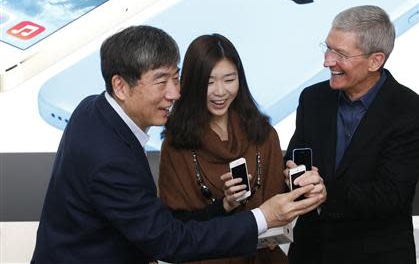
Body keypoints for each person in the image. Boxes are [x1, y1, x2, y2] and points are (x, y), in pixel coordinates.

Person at [31, 25, 326, 264]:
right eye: (161, 82)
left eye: (176, 77)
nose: (174, 93)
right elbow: (168, 240)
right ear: (120, 86)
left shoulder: (92, 109)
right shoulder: (110, 158)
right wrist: (263, 216)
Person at [285, 5, 419, 264]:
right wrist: (291, 174)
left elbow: (389, 194)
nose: (327, 61)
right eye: (327, 47)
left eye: (340, 53)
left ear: (375, 60)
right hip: (310, 253)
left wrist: (325, 192)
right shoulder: (313, 99)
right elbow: (296, 158)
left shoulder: (413, 114)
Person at [159, 33, 310, 264]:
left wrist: (301, 186)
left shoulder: (263, 134)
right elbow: (175, 227)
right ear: (192, 84)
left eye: (229, 79)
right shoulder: (176, 144)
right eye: (209, 82)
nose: (220, 92)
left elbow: (281, 209)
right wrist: (224, 205)